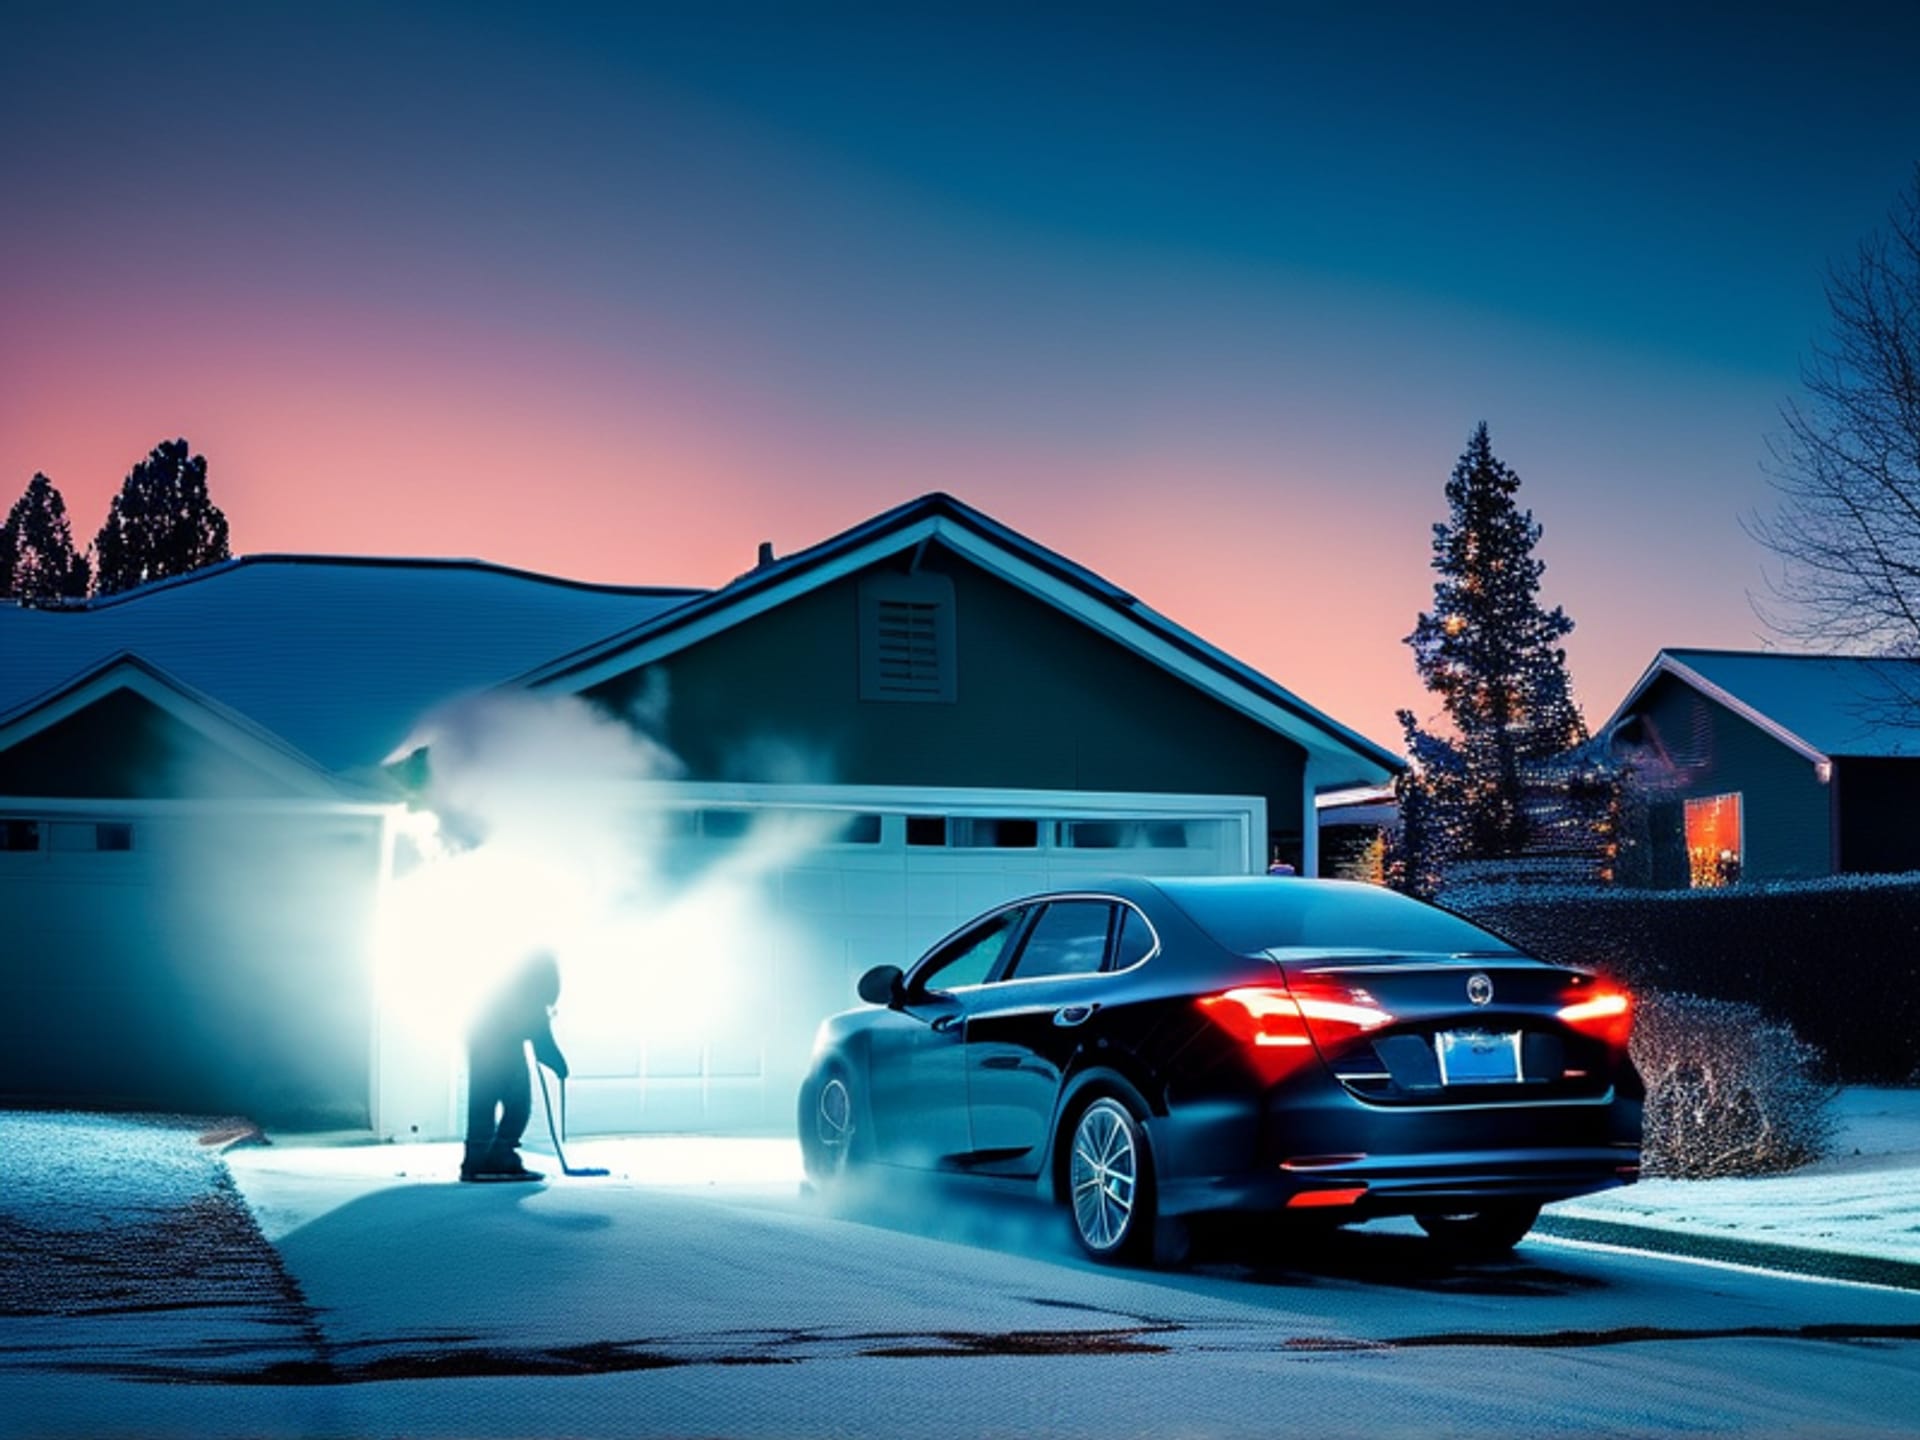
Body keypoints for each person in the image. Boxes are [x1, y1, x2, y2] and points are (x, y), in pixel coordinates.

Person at [462, 950, 569, 1183]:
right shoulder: (533, 994)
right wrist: (560, 1067)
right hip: (504, 1052)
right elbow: (543, 1045)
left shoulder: (504, 988)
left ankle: (476, 1159)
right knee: (518, 1106)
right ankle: (501, 1155)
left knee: (482, 1103)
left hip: (480, 1047)